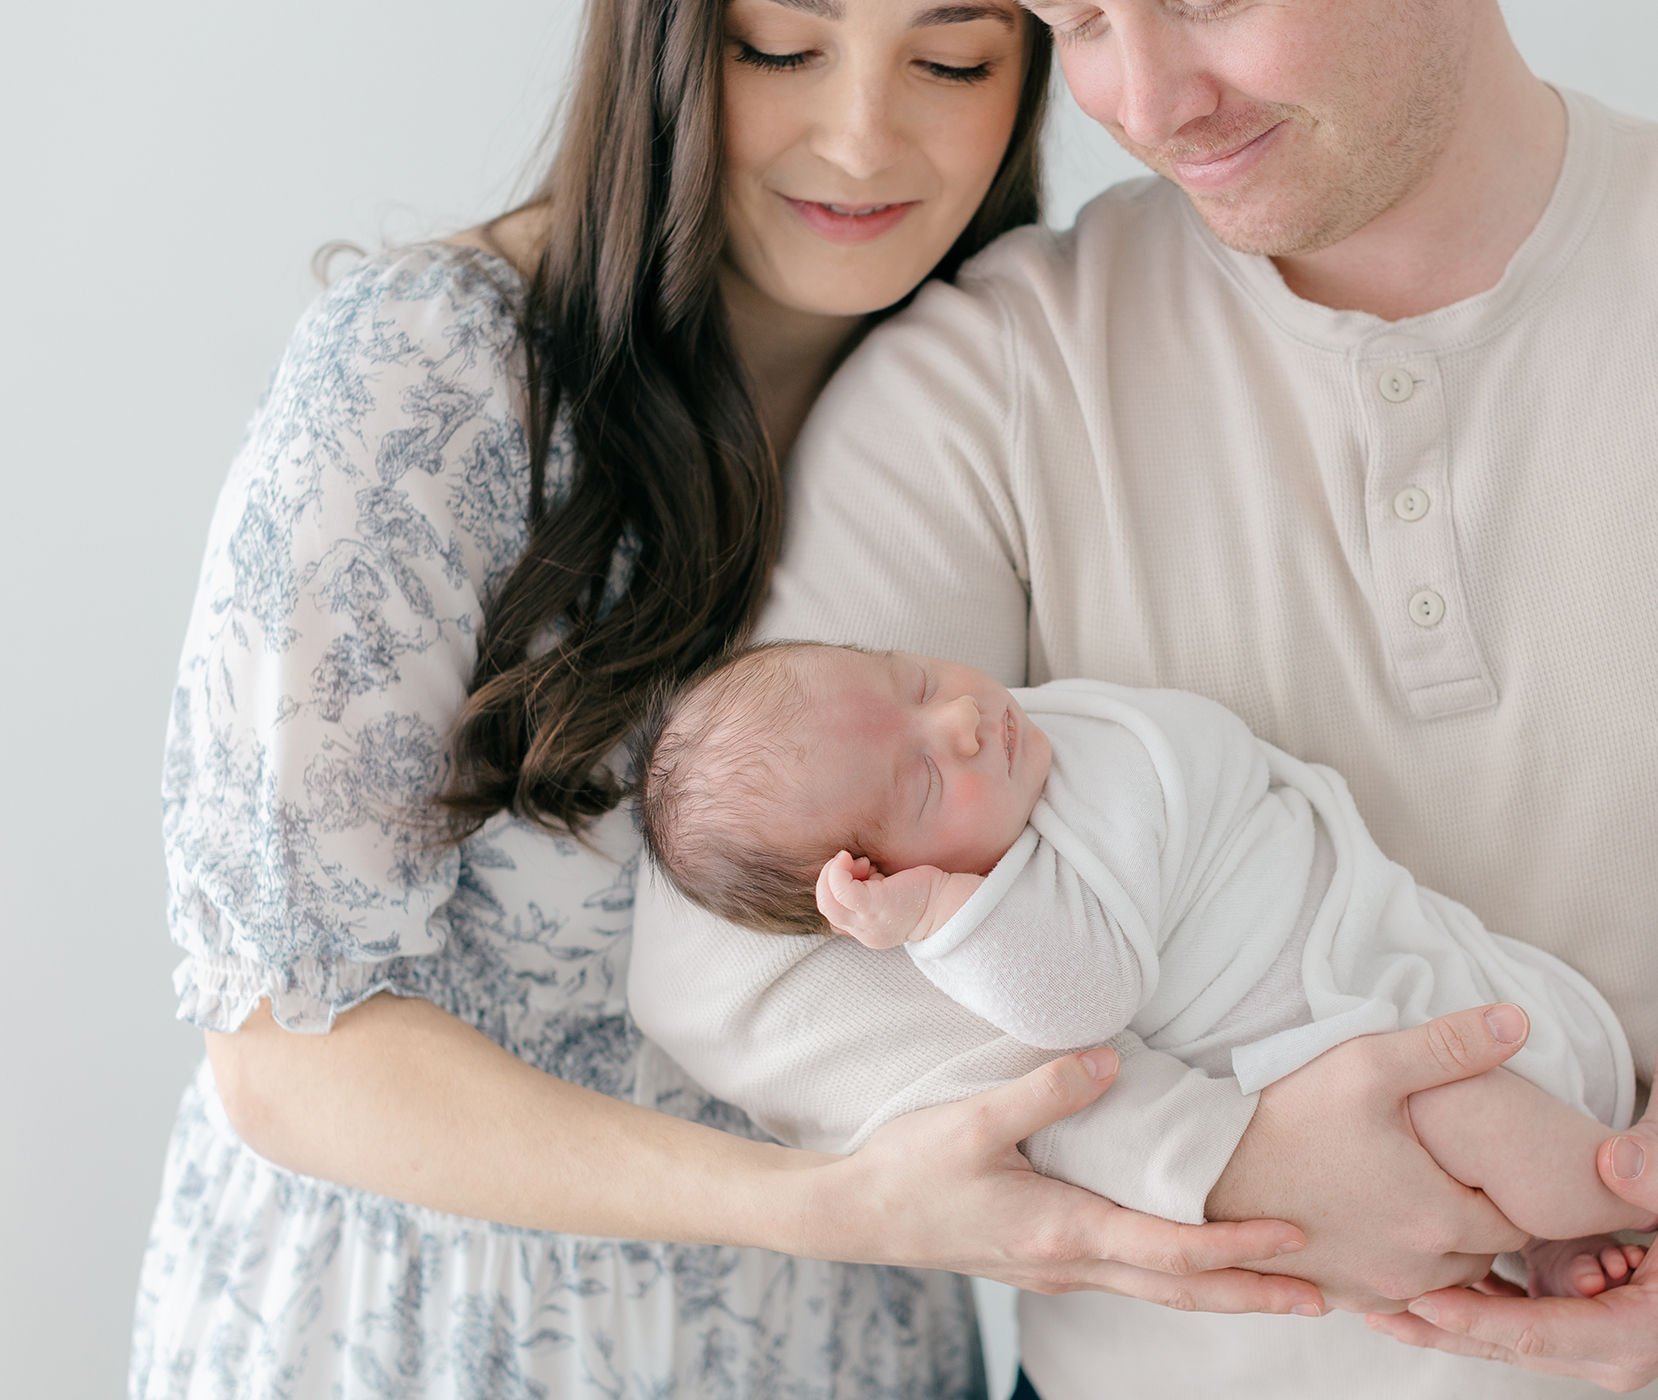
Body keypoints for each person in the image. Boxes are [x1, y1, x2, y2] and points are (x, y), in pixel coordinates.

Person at [626, 0, 1658, 1395]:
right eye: (1078, 22)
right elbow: (744, 968)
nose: (1146, 101)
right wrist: (1218, 1159)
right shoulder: (986, 382)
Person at [125, 1, 1443, 1393]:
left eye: (951, 63)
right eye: (779, 50)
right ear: (665, 46)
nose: (864, 139)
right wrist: (823, 1206)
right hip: (441, 1334)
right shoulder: (432, 377)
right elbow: (285, 1054)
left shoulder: (993, 389)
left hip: (842, 1341)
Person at [639, 641, 1658, 1299]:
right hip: (1327, 1030)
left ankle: (1563, 1231)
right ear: (879, 877)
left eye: (915, 675)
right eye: (924, 780)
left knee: (1516, 1012)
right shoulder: (1015, 911)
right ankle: (1641, 1174)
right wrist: (942, 920)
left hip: (1379, 933)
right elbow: (1078, 1007)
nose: (964, 719)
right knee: (1475, 1107)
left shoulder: (1041, 747)